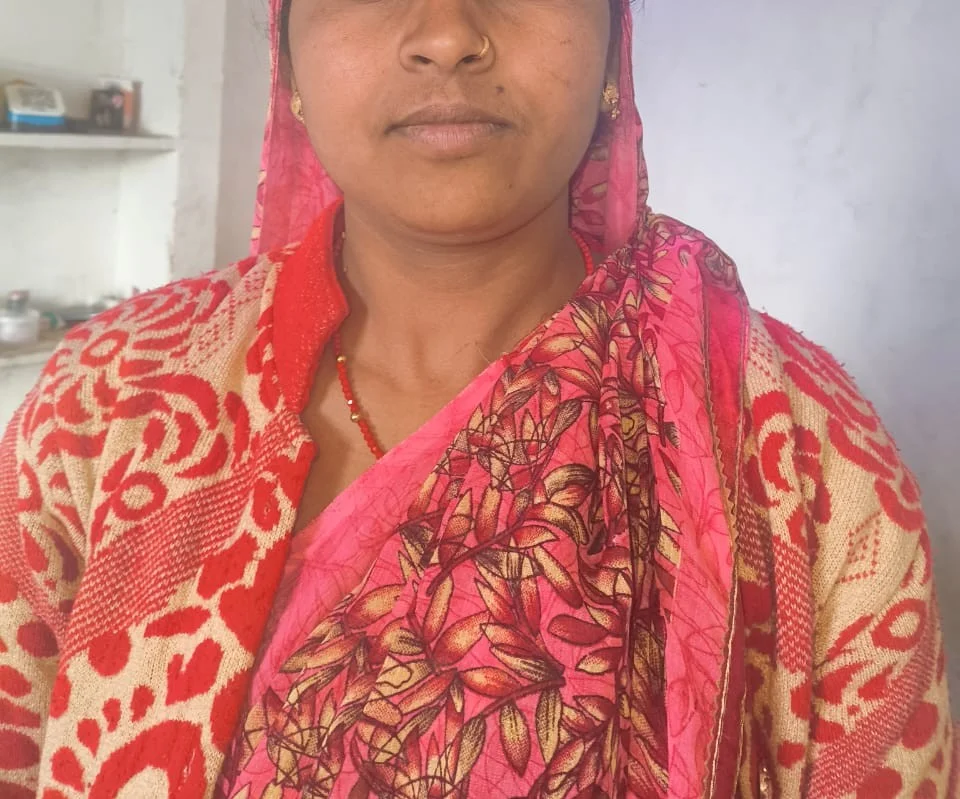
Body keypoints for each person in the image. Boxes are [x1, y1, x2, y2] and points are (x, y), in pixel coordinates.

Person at [0, 0, 954, 795]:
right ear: (286, 61)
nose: (448, 34)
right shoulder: (107, 403)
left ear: (613, 44)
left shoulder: (805, 450)